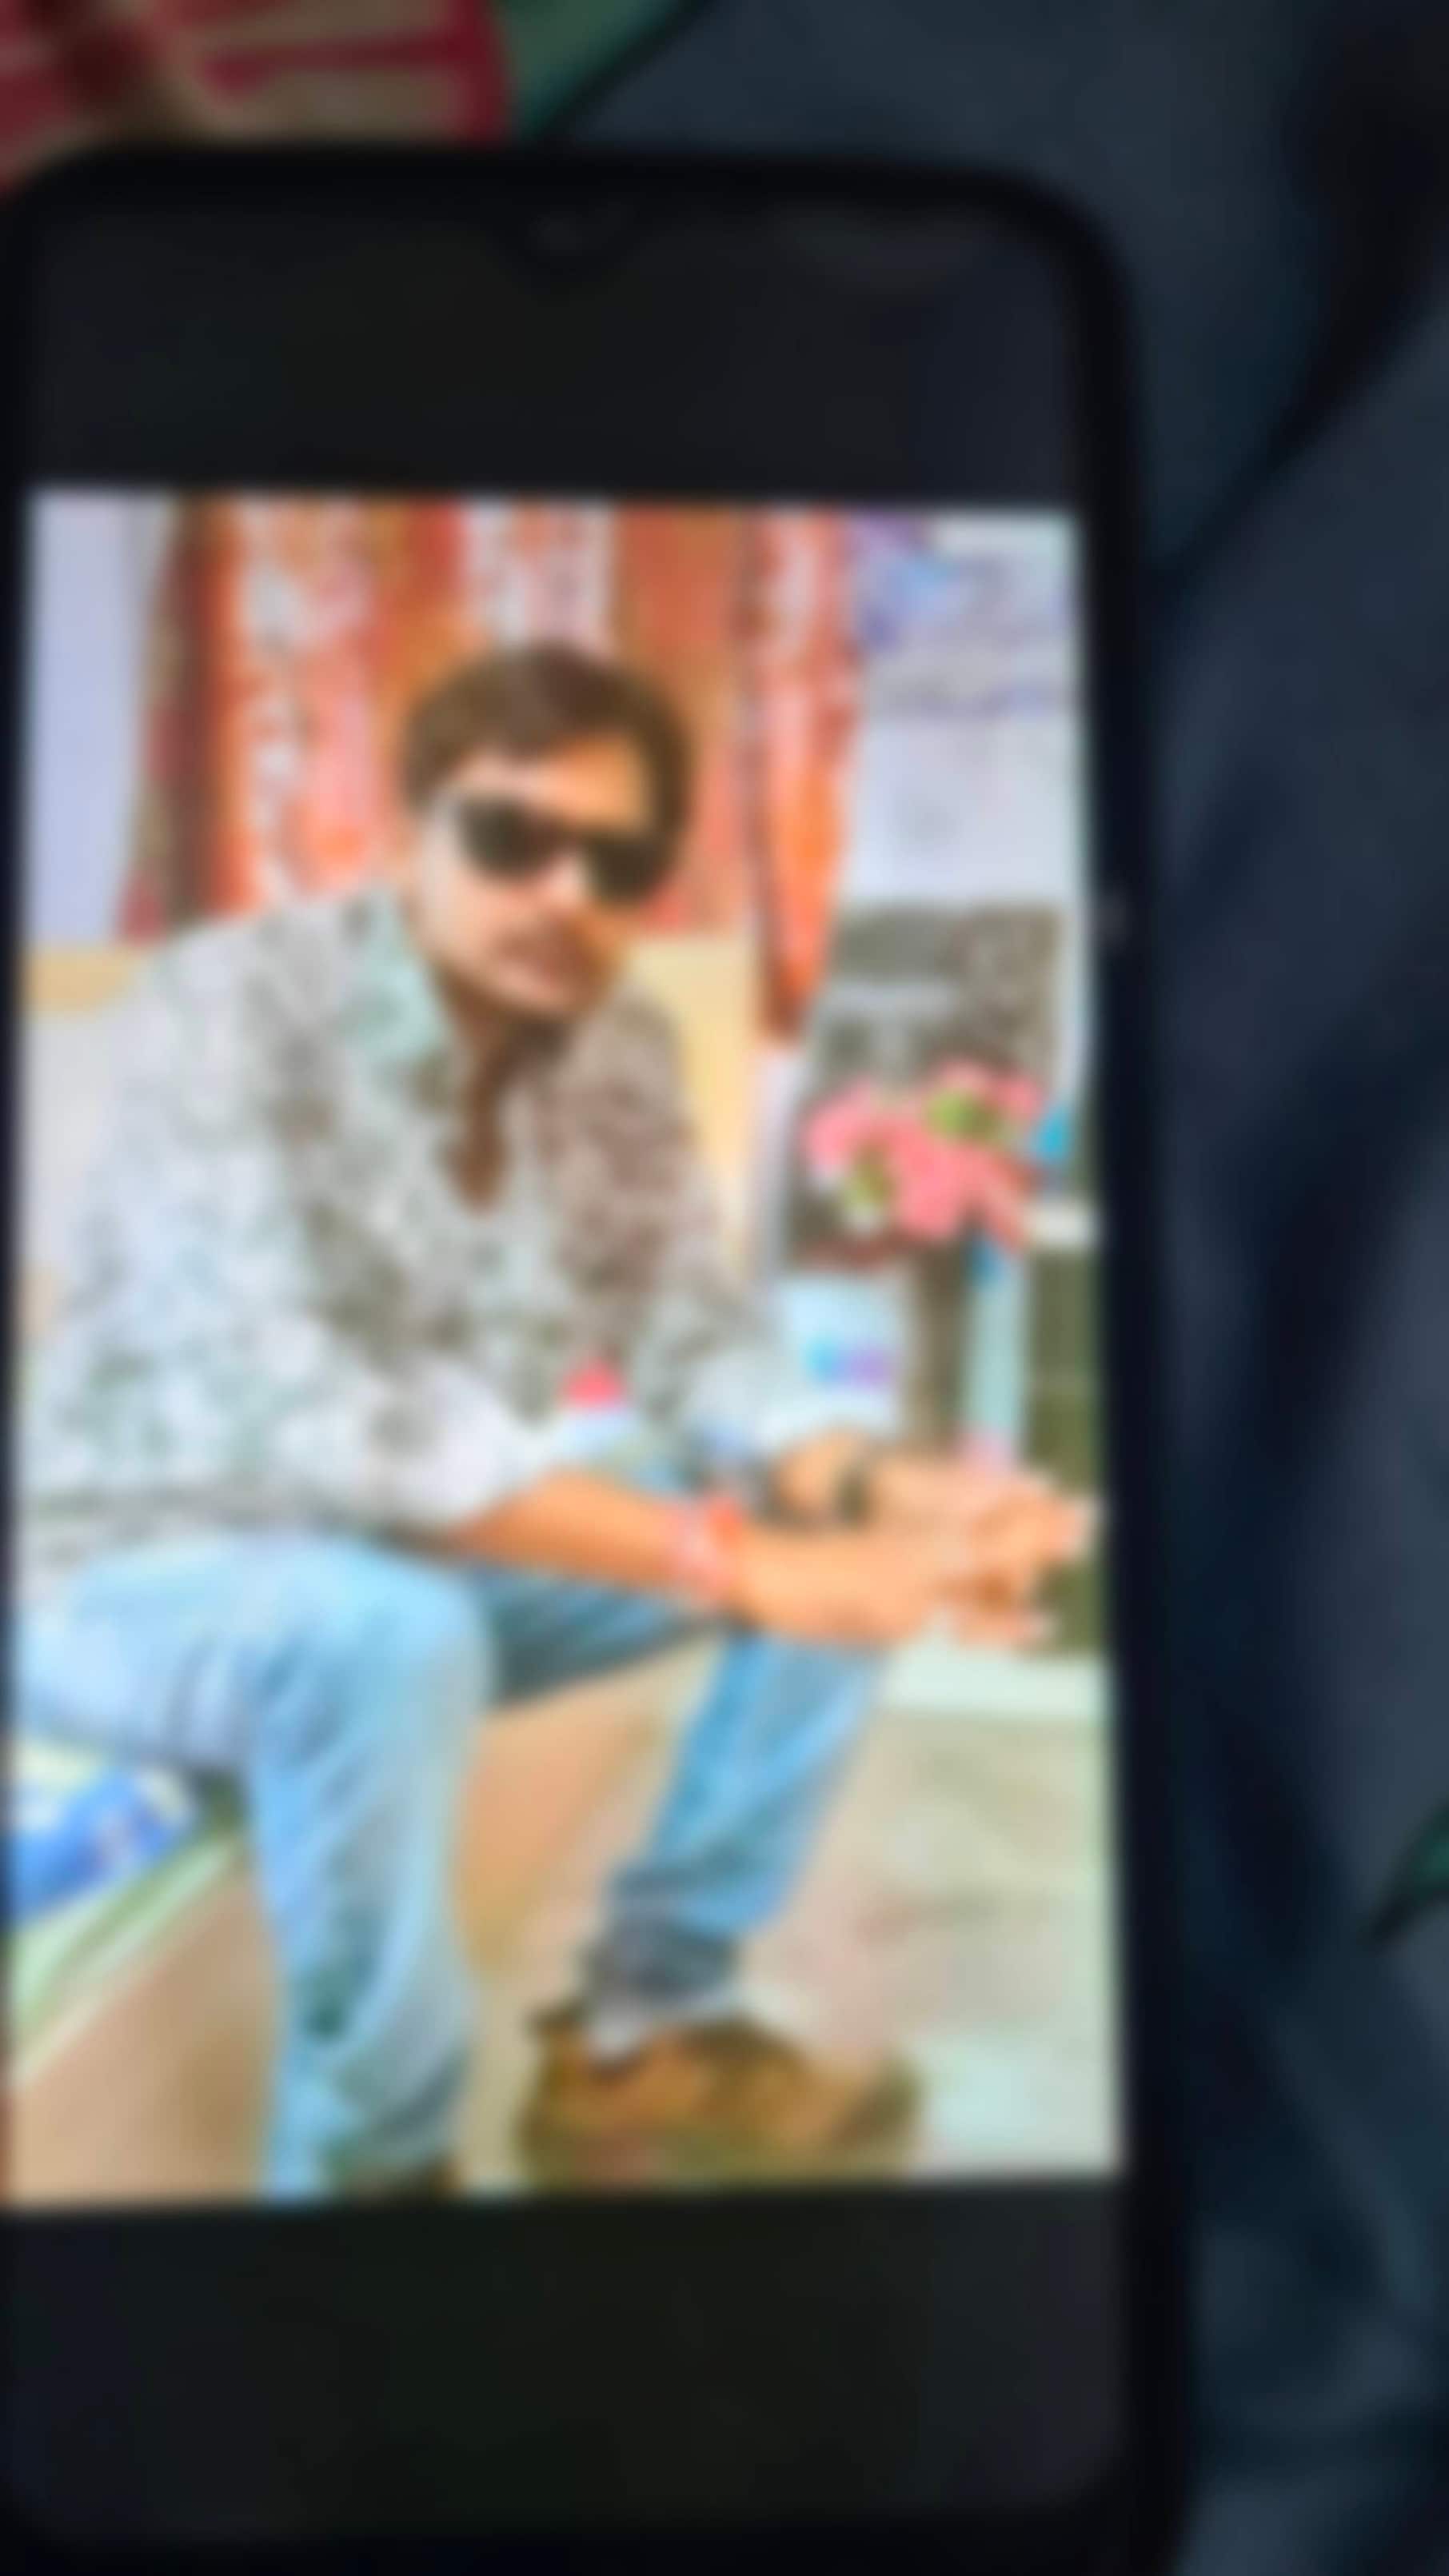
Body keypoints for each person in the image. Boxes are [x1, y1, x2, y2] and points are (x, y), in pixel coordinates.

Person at [16, 641, 1084, 2199]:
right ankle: (370, 2181)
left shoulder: (622, 1047)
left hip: (410, 1548)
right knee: (387, 1636)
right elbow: (317, 1408)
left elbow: (687, 1328)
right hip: (122, 1577)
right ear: (406, 836)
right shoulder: (230, 1005)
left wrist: (866, 1482)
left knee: (797, 1525)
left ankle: (643, 2027)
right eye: (512, 837)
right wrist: (732, 1563)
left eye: (619, 862)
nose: (567, 893)